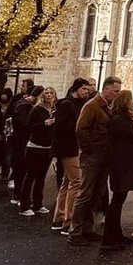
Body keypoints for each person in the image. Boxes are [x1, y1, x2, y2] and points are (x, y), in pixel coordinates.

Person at [70, 76, 120, 244]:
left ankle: (88, 227)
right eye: (115, 91)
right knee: (85, 193)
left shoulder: (107, 106)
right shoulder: (92, 105)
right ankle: (75, 231)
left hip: (104, 156)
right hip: (93, 156)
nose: (117, 94)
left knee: (96, 194)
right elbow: (80, 129)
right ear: (106, 89)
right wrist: (89, 149)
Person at [101, 89, 133, 250]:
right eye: (131, 101)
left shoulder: (120, 118)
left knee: (119, 201)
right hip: (121, 164)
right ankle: (109, 238)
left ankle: (116, 234)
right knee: (117, 202)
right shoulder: (120, 120)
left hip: (123, 163)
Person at [52, 79, 91, 232]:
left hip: (73, 148)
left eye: (87, 89)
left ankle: (59, 217)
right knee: (76, 182)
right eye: (84, 89)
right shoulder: (67, 104)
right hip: (68, 148)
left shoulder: (78, 104)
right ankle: (69, 221)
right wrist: (79, 125)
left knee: (67, 183)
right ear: (76, 89)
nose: (86, 92)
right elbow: (60, 126)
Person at [16, 88, 57, 215]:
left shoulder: (55, 111)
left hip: (47, 148)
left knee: (41, 177)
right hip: (35, 147)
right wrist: (43, 123)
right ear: (43, 96)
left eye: (51, 93)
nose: (49, 95)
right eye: (46, 93)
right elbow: (28, 126)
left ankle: (38, 204)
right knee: (30, 175)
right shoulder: (37, 110)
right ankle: (24, 205)